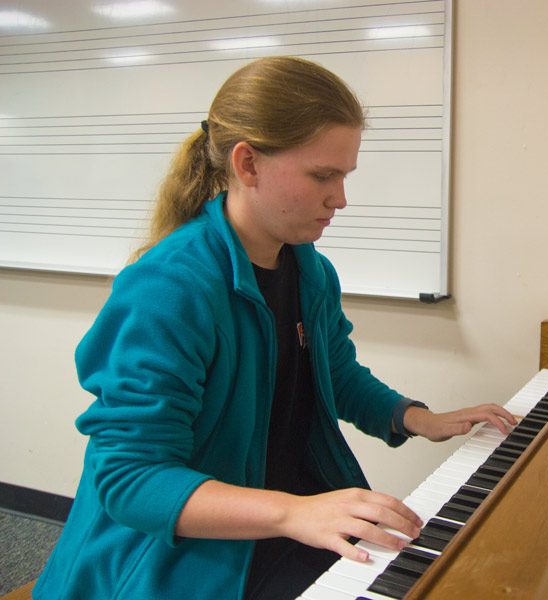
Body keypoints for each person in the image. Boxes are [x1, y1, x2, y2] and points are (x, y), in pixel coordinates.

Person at [34, 56, 515, 600]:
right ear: (248, 164)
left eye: (344, 176)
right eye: (322, 175)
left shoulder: (309, 268)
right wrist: (293, 513)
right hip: (179, 555)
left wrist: (420, 418)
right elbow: (132, 480)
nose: (340, 198)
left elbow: (332, 371)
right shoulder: (168, 289)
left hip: (282, 515)